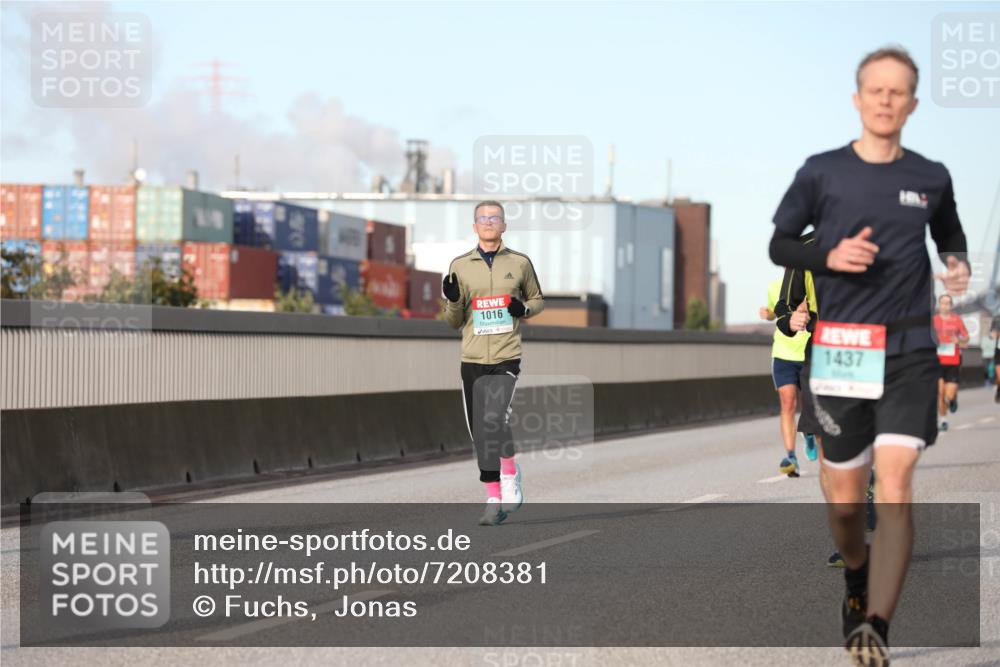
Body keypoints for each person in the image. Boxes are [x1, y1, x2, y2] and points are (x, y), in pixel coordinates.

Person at [768, 46, 969, 666]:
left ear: (911, 103)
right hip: (841, 351)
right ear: (858, 100)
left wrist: (956, 264)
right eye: (875, 90)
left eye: (898, 91)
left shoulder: (931, 176)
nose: (886, 100)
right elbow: (779, 244)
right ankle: (857, 577)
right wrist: (826, 258)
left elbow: (951, 235)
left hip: (908, 349)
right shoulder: (821, 173)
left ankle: (876, 626)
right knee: (848, 506)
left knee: (899, 486)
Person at [442, 200, 545, 526]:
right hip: (471, 357)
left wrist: (523, 310)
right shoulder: (460, 265)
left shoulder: (520, 263)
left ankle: (510, 475)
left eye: (495, 218)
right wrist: (454, 299)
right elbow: (452, 321)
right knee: (480, 432)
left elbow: (537, 300)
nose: (488, 222)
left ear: (504, 225)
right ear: (474, 227)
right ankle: (493, 498)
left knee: (492, 417)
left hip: (505, 356)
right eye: (482, 219)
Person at [933, 294, 969, 431]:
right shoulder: (934, 321)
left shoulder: (957, 320)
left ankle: (953, 399)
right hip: (937, 361)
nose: (945, 306)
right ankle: (943, 420)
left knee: (949, 395)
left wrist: (959, 341)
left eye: (948, 303)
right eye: (943, 303)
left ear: (951, 305)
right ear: (939, 305)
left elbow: (966, 338)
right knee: (940, 393)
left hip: (953, 361)